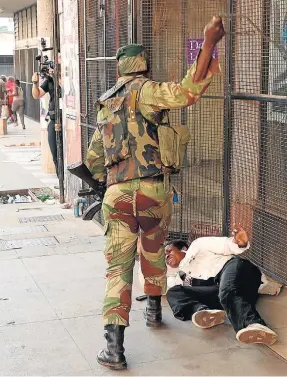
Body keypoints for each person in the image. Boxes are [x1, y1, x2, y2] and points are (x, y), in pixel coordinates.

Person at [83, 17, 225, 370]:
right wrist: (208, 43)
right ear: (143, 64)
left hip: (116, 195)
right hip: (153, 191)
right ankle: (152, 312)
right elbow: (187, 92)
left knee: (117, 269)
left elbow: (93, 158)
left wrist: (104, 182)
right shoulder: (147, 90)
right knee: (153, 250)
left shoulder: (105, 103)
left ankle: (114, 349)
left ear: (119, 69)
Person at [164, 227, 278, 346]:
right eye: (164, 256)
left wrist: (239, 243)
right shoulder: (181, 277)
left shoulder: (197, 245)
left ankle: (255, 325)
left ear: (183, 249)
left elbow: (226, 245)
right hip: (227, 296)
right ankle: (203, 312)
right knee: (174, 292)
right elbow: (157, 284)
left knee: (226, 290)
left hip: (237, 271)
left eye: (169, 252)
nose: (166, 257)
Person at [31, 69, 63, 177]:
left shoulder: (69, 75)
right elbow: (37, 95)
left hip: (68, 119)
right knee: (55, 151)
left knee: (65, 152)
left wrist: (58, 77)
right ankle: (61, 178)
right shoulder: (50, 80)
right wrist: (35, 83)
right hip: (54, 119)